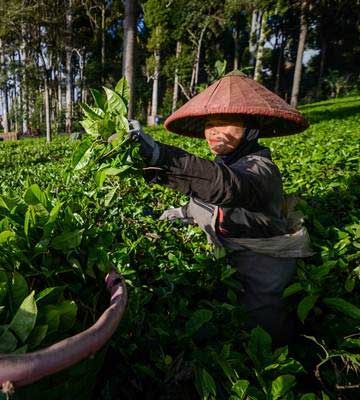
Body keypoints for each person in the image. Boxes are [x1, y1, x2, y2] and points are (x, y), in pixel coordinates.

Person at [127, 71, 313, 343]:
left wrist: (159, 157)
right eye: (210, 123)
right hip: (227, 260)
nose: (214, 131)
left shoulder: (260, 169)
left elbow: (227, 187)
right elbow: (203, 198)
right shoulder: (224, 165)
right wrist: (171, 215)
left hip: (261, 266)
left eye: (226, 122)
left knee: (263, 330)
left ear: (251, 128)